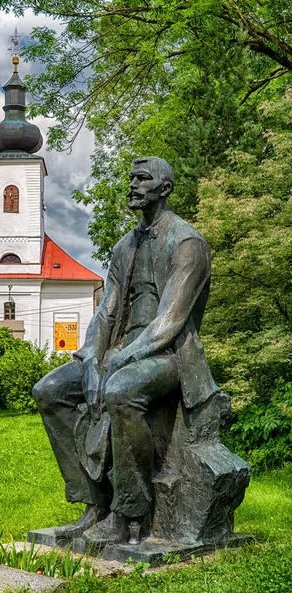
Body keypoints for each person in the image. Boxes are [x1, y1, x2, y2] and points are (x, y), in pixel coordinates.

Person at [32, 156, 218, 546]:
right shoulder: (124, 246)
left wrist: (121, 359)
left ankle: (130, 514)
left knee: (121, 390)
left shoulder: (188, 242)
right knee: (48, 391)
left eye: (143, 179)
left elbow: (170, 319)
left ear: (164, 188)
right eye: (131, 178)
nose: (133, 185)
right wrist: (90, 360)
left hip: (171, 355)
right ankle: (94, 503)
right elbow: (106, 310)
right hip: (120, 349)